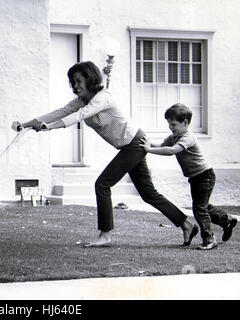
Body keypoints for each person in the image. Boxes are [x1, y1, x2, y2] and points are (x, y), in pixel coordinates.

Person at [11, 61, 198, 248]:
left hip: (134, 143)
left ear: (90, 79)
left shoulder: (103, 98)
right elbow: (59, 112)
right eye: (72, 83)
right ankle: (186, 224)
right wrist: (24, 125)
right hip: (129, 146)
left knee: (102, 184)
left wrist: (49, 128)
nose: (75, 86)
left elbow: (80, 115)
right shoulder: (81, 101)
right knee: (148, 194)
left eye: (78, 81)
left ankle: (105, 234)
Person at [140, 103, 237, 250]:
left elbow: (172, 151)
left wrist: (149, 150)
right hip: (195, 178)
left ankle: (209, 239)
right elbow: (160, 145)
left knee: (199, 209)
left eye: (173, 124)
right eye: (169, 124)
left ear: (185, 123)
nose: (171, 127)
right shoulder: (174, 137)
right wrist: (147, 144)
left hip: (205, 175)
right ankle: (227, 220)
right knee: (203, 207)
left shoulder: (188, 137)